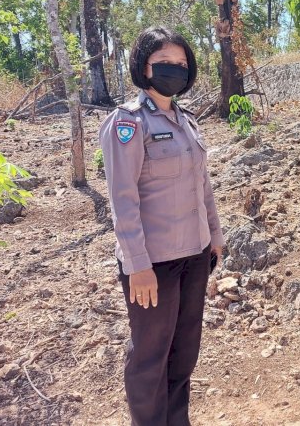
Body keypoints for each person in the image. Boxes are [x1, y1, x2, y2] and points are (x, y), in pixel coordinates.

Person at [99, 26, 224, 426]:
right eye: (165, 63)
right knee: (150, 355)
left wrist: (215, 238)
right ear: (143, 67)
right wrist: (137, 265)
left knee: (184, 350)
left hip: (195, 253)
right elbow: (123, 199)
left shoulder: (186, 120)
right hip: (154, 263)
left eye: (182, 64)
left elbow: (202, 186)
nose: (175, 70)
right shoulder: (128, 123)